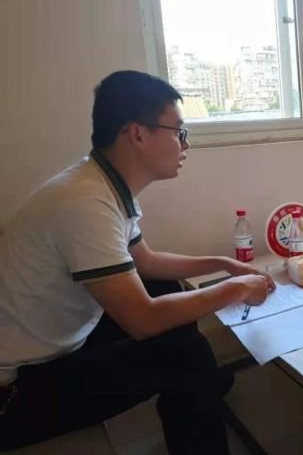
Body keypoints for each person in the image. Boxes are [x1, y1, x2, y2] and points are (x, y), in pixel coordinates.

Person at [0, 70, 275, 454]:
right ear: (138, 134)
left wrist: (224, 265)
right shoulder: (85, 204)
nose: (185, 144)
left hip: (57, 344)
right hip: (15, 392)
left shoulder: (99, 184)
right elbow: (142, 320)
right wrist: (235, 289)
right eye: (178, 132)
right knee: (183, 352)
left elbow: (145, 262)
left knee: (165, 295)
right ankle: (200, 389)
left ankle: (200, 387)